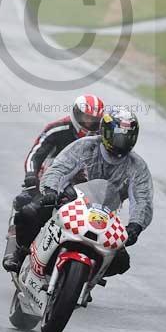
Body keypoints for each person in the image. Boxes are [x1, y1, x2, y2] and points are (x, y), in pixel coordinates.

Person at [13, 107, 153, 278]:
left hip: (104, 216)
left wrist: (135, 226)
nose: (121, 142)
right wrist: (50, 190)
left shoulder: (137, 166)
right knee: (28, 214)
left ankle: (86, 279)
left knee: (121, 262)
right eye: (117, 135)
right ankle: (22, 253)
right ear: (105, 131)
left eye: (126, 137)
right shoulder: (85, 146)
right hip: (67, 202)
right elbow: (59, 169)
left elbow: (142, 199)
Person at [2, 94, 105, 272]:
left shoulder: (102, 138)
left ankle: (91, 269)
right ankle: (18, 250)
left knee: (97, 226)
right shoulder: (57, 129)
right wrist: (30, 176)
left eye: (94, 120)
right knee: (27, 208)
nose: (88, 123)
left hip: (81, 189)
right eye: (85, 118)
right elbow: (36, 154)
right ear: (75, 114)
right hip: (48, 183)